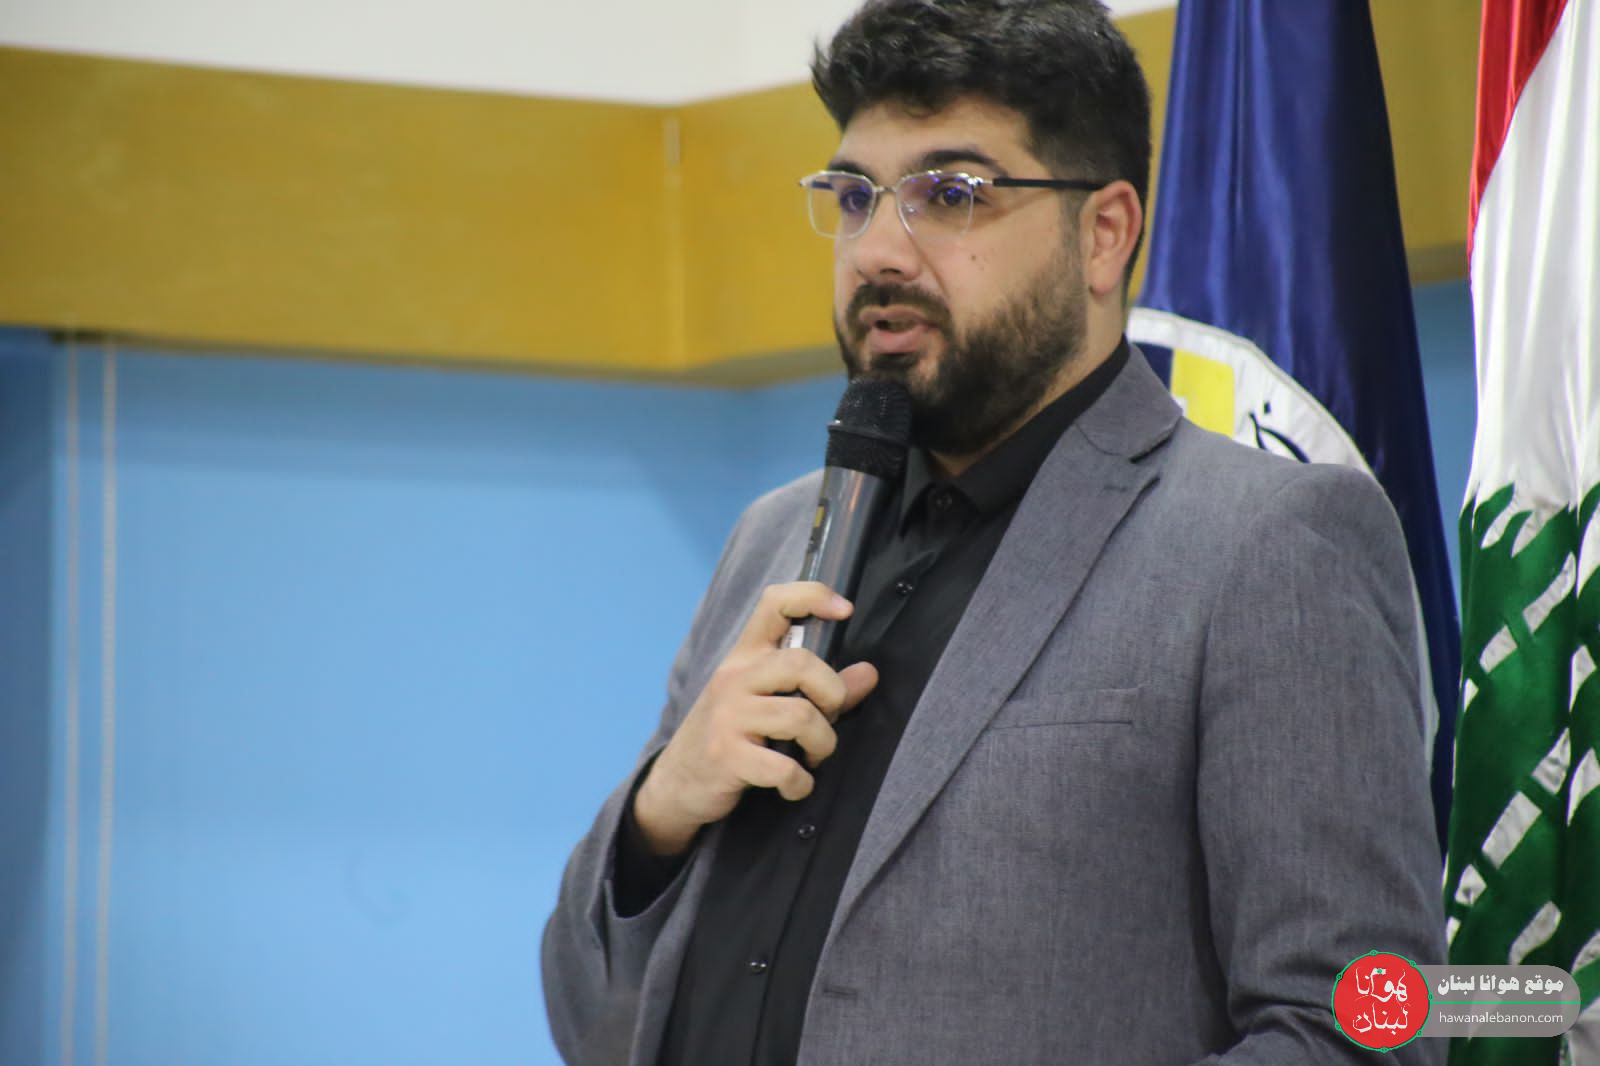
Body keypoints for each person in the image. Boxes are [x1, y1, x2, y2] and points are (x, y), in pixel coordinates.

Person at [542, 1, 1447, 1062]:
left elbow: (1362, 1030)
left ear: (1103, 234)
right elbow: (587, 1018)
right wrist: (659, 815)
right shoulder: (774, 537)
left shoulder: (1263, 543)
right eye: (854, 197)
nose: (879, 251)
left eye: (950, 195)